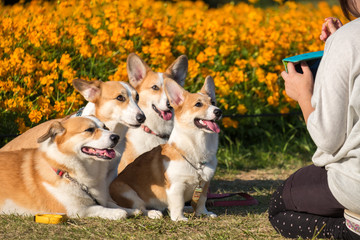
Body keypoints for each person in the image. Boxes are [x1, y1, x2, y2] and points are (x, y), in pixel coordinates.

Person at [268, 0, 360, 239]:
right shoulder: (348, 38)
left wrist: (303, 95)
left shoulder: (349, 39)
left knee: (280, 204)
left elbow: (329, 138)